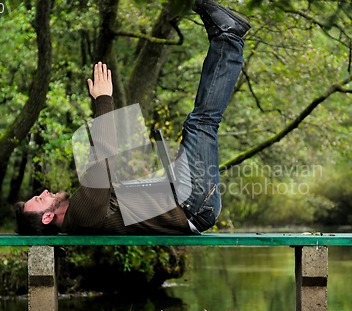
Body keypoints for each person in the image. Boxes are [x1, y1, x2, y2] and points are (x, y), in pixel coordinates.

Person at [15, 0, 251, 235]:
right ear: (47, 217)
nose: (44, 191)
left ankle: (224, 38)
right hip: (194, 204)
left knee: (199, 123)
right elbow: (104, 159)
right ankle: (228, 38)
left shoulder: (82, 212)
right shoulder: (81, 216)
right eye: (39, 198)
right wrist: (103, 98)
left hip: (186, 198)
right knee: (200, 123)